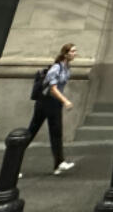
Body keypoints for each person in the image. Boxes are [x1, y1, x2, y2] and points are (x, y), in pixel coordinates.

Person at [27, 42, 77, 175]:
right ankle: (13, 162)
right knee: (31, 132)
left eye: (75, 51)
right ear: (65, 54)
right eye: (72, 51)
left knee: (56, 132)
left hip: (54, 103)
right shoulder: (56, 68)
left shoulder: (66, 68)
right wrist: (65, 101)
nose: (75, 53)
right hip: (46, 103)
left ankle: (58, 164)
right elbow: (52, 89)